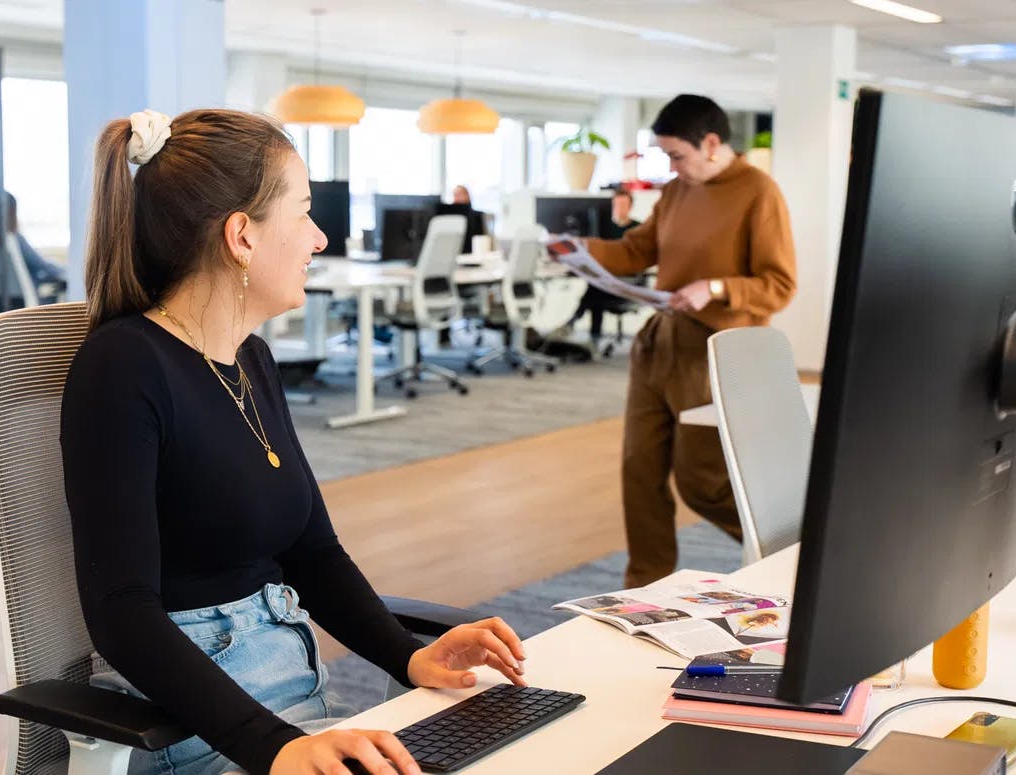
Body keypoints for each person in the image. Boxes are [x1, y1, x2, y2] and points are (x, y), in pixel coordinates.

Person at [61, 108, 528, 775]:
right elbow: (121, 612)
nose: (319, 236)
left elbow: (313, 551)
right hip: (193, 735)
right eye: (303, 212)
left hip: (297, 703)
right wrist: (273, 745)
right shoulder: (123, 366)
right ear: (242, 236)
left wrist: (407, 653)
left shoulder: (250, 359)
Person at [578, 94, 797, 589]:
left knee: (703, 483)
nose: (671, 167)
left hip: (716, 350)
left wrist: (715, 287)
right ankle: (645, 588)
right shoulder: (678, 190)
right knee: (640, 472)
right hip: (659, 343)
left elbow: (779, 285)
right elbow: (638, 250)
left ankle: (799, 555)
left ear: (712, 144)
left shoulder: (759, 193)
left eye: (678, 155)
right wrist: (578, 251)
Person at [566, 189, 645, 344]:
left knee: (596, 290)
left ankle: (576, 322)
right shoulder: (604, 229)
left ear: (630, 207)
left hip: (628, 281)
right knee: (597, 289)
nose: (619, 209)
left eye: (623, 205)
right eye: (616, 205)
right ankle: (591, 336)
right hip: (607, 280)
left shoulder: (639, 230)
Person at [0, 189, 68, 294]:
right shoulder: (14, 239)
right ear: (12, 211)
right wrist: (69, 272)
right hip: (27, 304)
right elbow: (41, 265)